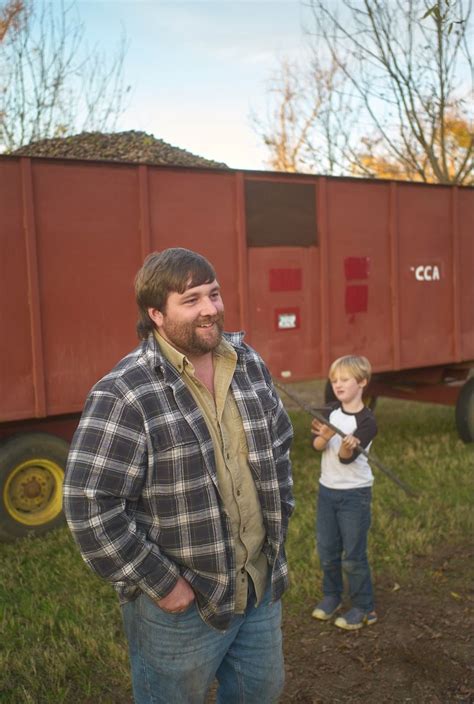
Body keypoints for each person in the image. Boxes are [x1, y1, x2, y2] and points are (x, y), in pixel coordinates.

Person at [63, 247, 294, 704]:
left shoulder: (247, 365)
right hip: (180, 607)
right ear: (156, 314)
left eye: (214, 293)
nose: (210, 308)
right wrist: (162, 582)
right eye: (191, 300)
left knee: (262, 692)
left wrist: (277, 528)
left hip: (257, 585)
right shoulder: (126, 391)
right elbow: (89, 503)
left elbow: (280, 444)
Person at [310, 355, 377, 631]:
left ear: (362, 382)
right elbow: (316, 446)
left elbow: (346, 459)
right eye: (334, 380)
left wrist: (347, 446)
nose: (337, 385)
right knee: (327, 549)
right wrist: (325, 435)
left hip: (354, 495)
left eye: (344, 380)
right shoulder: (329, 412)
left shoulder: (367, 422)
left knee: (353, 555)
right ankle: (332, 596)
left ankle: (364, 607)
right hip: (328, 491)